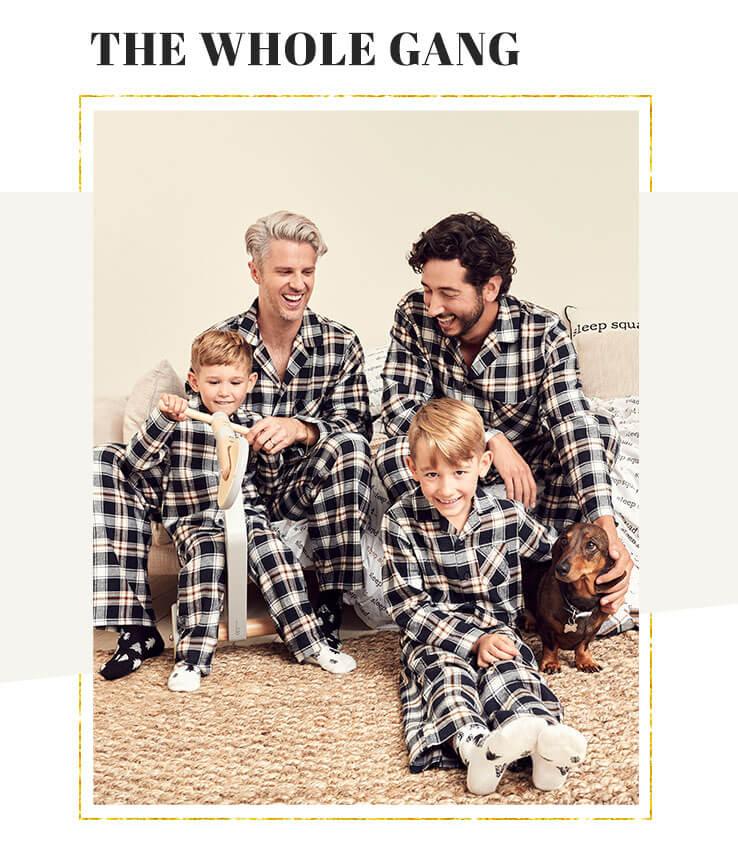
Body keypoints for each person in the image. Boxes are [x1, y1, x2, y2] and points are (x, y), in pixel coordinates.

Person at [93, 209, 372, 678]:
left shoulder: (340, 343)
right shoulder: (223, 342)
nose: (297, 283)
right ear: (256, 271)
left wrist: (300, 428)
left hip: (296, 486)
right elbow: (192, 437)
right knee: (104, 460)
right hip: (228, 488)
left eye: (308, 272)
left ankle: (326, 605)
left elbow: (355, 423)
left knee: (352, 448)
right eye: (285, 271)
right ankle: (134, 624)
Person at [376, 212, 632, 618]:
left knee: (600, 429)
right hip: (455, 465)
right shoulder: (413, 317)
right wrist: (490, 437)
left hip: (529, 477)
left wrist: (606, 525)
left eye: (447, 293)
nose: (433, 306)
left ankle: (545, 584)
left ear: (491, 287)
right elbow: (402, 407)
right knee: (391, 453)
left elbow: (573, 423)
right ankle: (448, 581)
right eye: (426, 291)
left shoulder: (544, 332)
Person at [95, 329, 356, 692]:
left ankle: (311, 644)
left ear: (249, 382)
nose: (224, 391)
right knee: (205, 562)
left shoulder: (250, 421)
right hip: (194, 520)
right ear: (194, 380)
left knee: (276, 555)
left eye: (234, 382)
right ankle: (191, 660)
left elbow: (268, 485)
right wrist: (163, 419)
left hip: (247, 515)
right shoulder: (181, 420)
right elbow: (135, 462)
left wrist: (265, 452)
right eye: (213, 381)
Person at [382, 398, 587, 794]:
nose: (446, 488)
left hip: (498, 631)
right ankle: (477, 750)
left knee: (512, 675)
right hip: (437, 637)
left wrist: (599, 565)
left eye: (459, 472)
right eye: (431, 474)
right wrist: (471, 640)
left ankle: (544, 748)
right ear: (413, 470)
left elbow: (553, 551)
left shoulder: (505, 514)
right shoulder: (400, 521)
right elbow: (409, 607)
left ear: (483, 464)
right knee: (449, 682)